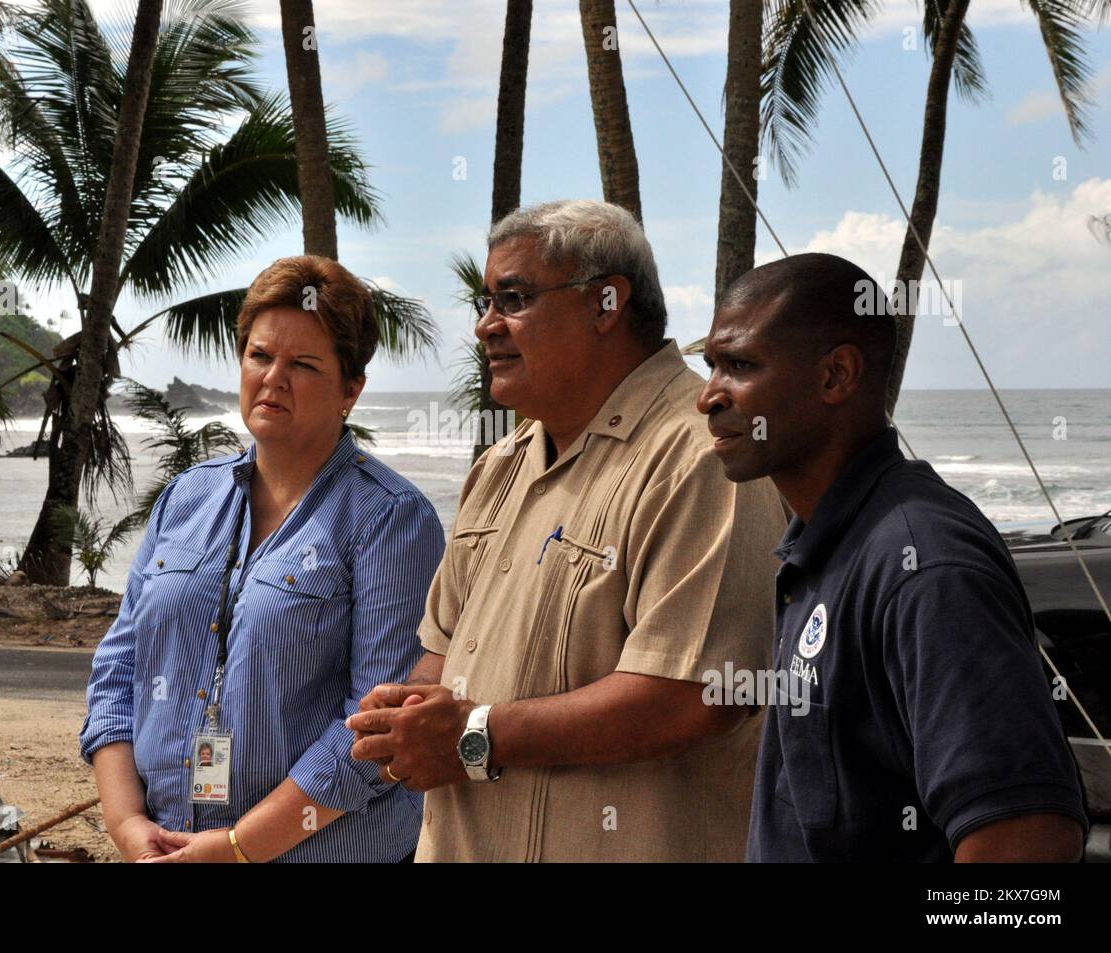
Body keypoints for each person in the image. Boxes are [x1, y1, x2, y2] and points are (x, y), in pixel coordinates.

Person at [346, 200, 787, 861]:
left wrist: (474, 734)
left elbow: (691, 696)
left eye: (513, 298)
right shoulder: (499, 467)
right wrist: (407, 716)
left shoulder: (704, 459)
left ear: (606, 303)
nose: (485, 327)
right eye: (486, 301)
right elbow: (444, 653)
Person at [697, 252, 1088, 862]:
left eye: (740, 365)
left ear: (837, 376)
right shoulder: (827, 546)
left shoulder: (924, 565)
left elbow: (1024, 842)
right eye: (711, 366)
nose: (708, 397)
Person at [80, 256, 445, 863]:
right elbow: (119, 668)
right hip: (166, 847)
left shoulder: (391, 519)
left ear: (350, 390)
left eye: (303, 365)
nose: (273, 378)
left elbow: (377, 731)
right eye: (259, 356)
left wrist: (236, 848)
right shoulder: (186, 497)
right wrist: (126, 823)